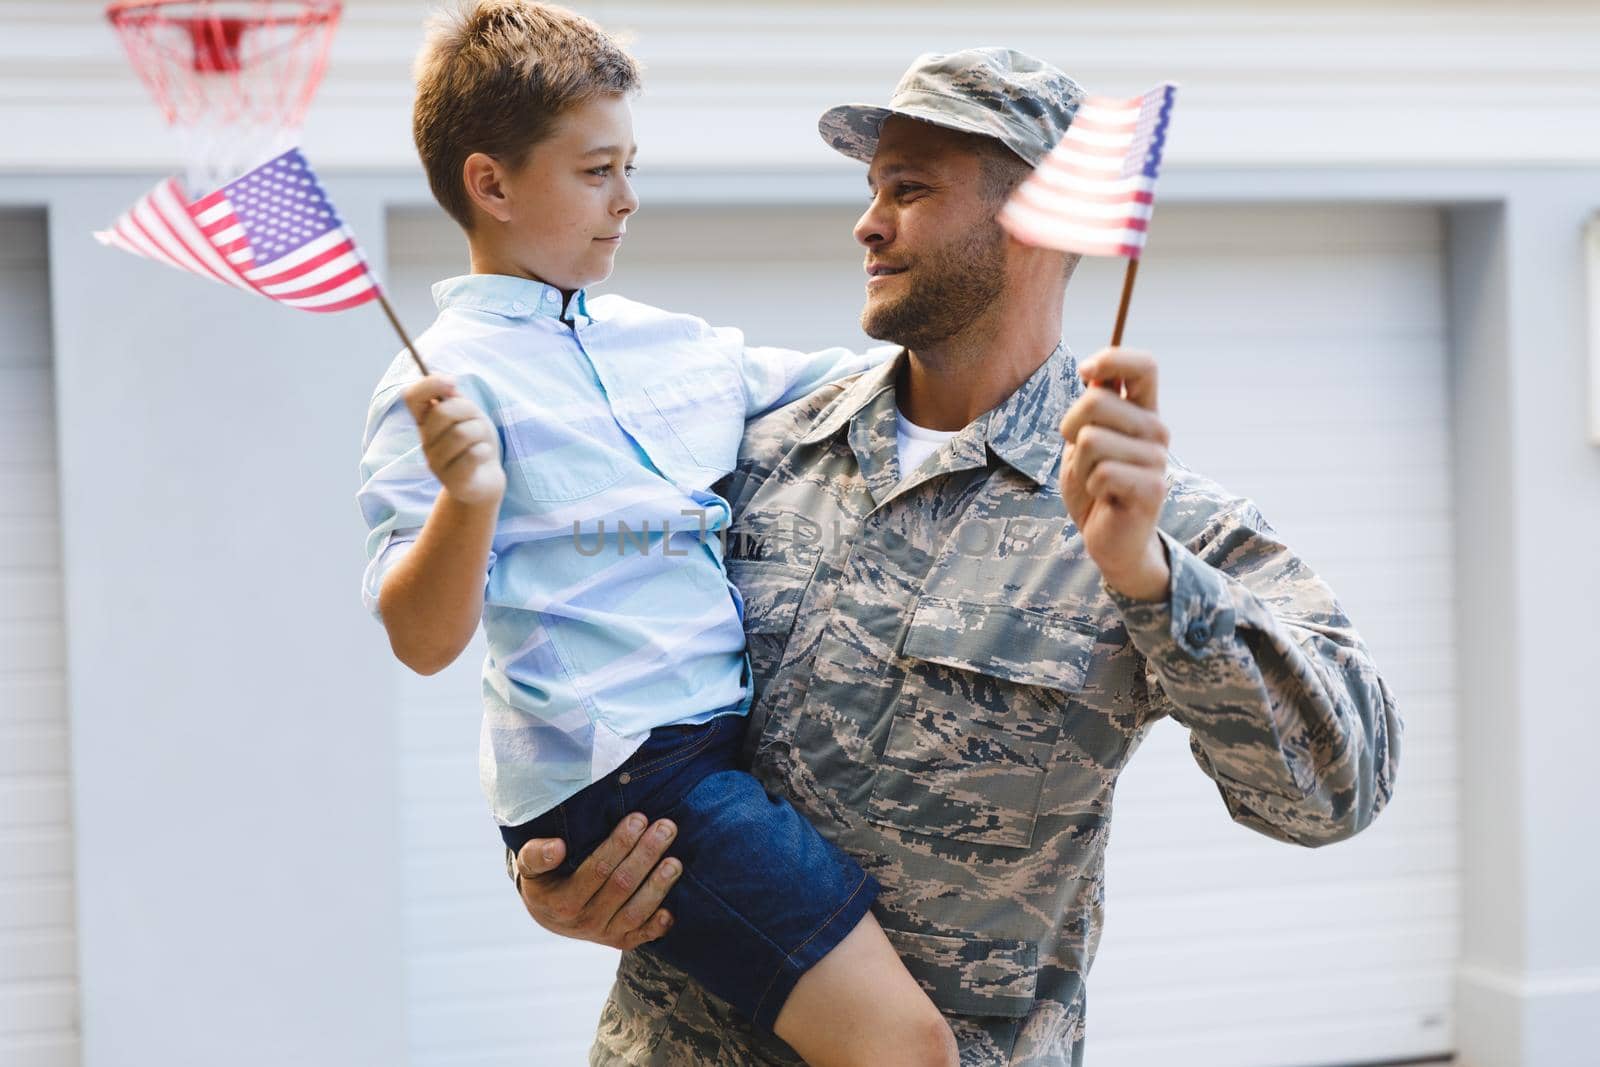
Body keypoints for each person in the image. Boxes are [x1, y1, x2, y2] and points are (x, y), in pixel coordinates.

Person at [507, 47, 1404, 1065]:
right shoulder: (746, 456)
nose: (867, 220)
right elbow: (583, 665)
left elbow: (1335, 792)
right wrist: (558, 870)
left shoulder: (1153, 519)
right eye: (872, 186)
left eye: (911, 187)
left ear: (1039, 219)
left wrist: (1151, 579)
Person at [355, 3, 964, 1064]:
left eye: (630, 164)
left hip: (712, 749)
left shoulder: (673, 343)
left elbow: (861, 385)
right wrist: (467, 499)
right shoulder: (441, 384)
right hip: (627, 780)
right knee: (903, 1045)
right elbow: (421, 639)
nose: (628, 199)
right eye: (596, 171)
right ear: (490, 184)